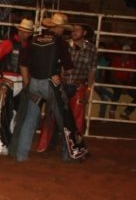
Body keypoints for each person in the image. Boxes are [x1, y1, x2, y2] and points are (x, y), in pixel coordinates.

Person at [10, 13, 87, 163]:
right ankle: (68, 154)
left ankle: (21, 155)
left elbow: (23, 64)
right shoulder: (60, 43)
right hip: (51, 84)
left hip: (34, 83)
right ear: (58, 28)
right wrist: (60, 76)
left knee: (30, 118)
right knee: (63, 119)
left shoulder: (34, 40)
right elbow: (69, 68)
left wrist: (27, 82)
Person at [37, 22, 98, 148]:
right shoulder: (63, 45)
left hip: (77, 85)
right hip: (62, 83)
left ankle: (72, 146)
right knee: (54, 114)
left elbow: (92, 70)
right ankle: (51, 143)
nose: (74, 32)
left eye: (77, 30)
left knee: (74, 118)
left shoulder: (91, 49)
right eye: (73, 30)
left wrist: (89, 88)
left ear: (84, 33)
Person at [0, 18, 34, 155]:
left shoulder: (30, 47)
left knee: (16, 114)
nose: (24, 34)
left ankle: (10, 143)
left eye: (27, 32)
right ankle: (1, 143)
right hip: (10, 81)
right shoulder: (8, 44)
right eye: (22, 31)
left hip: (21, 82)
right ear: (18, 30)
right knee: (5, 113)